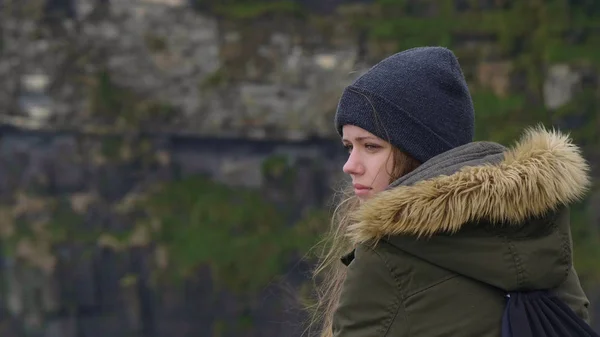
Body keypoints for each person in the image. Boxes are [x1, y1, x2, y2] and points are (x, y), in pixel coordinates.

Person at [308, 46, 595, 337]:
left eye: (371, 146)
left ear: (419, 151)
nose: (350, 165)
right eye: (349, 146)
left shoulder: (384, 261)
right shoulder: (542, 236)